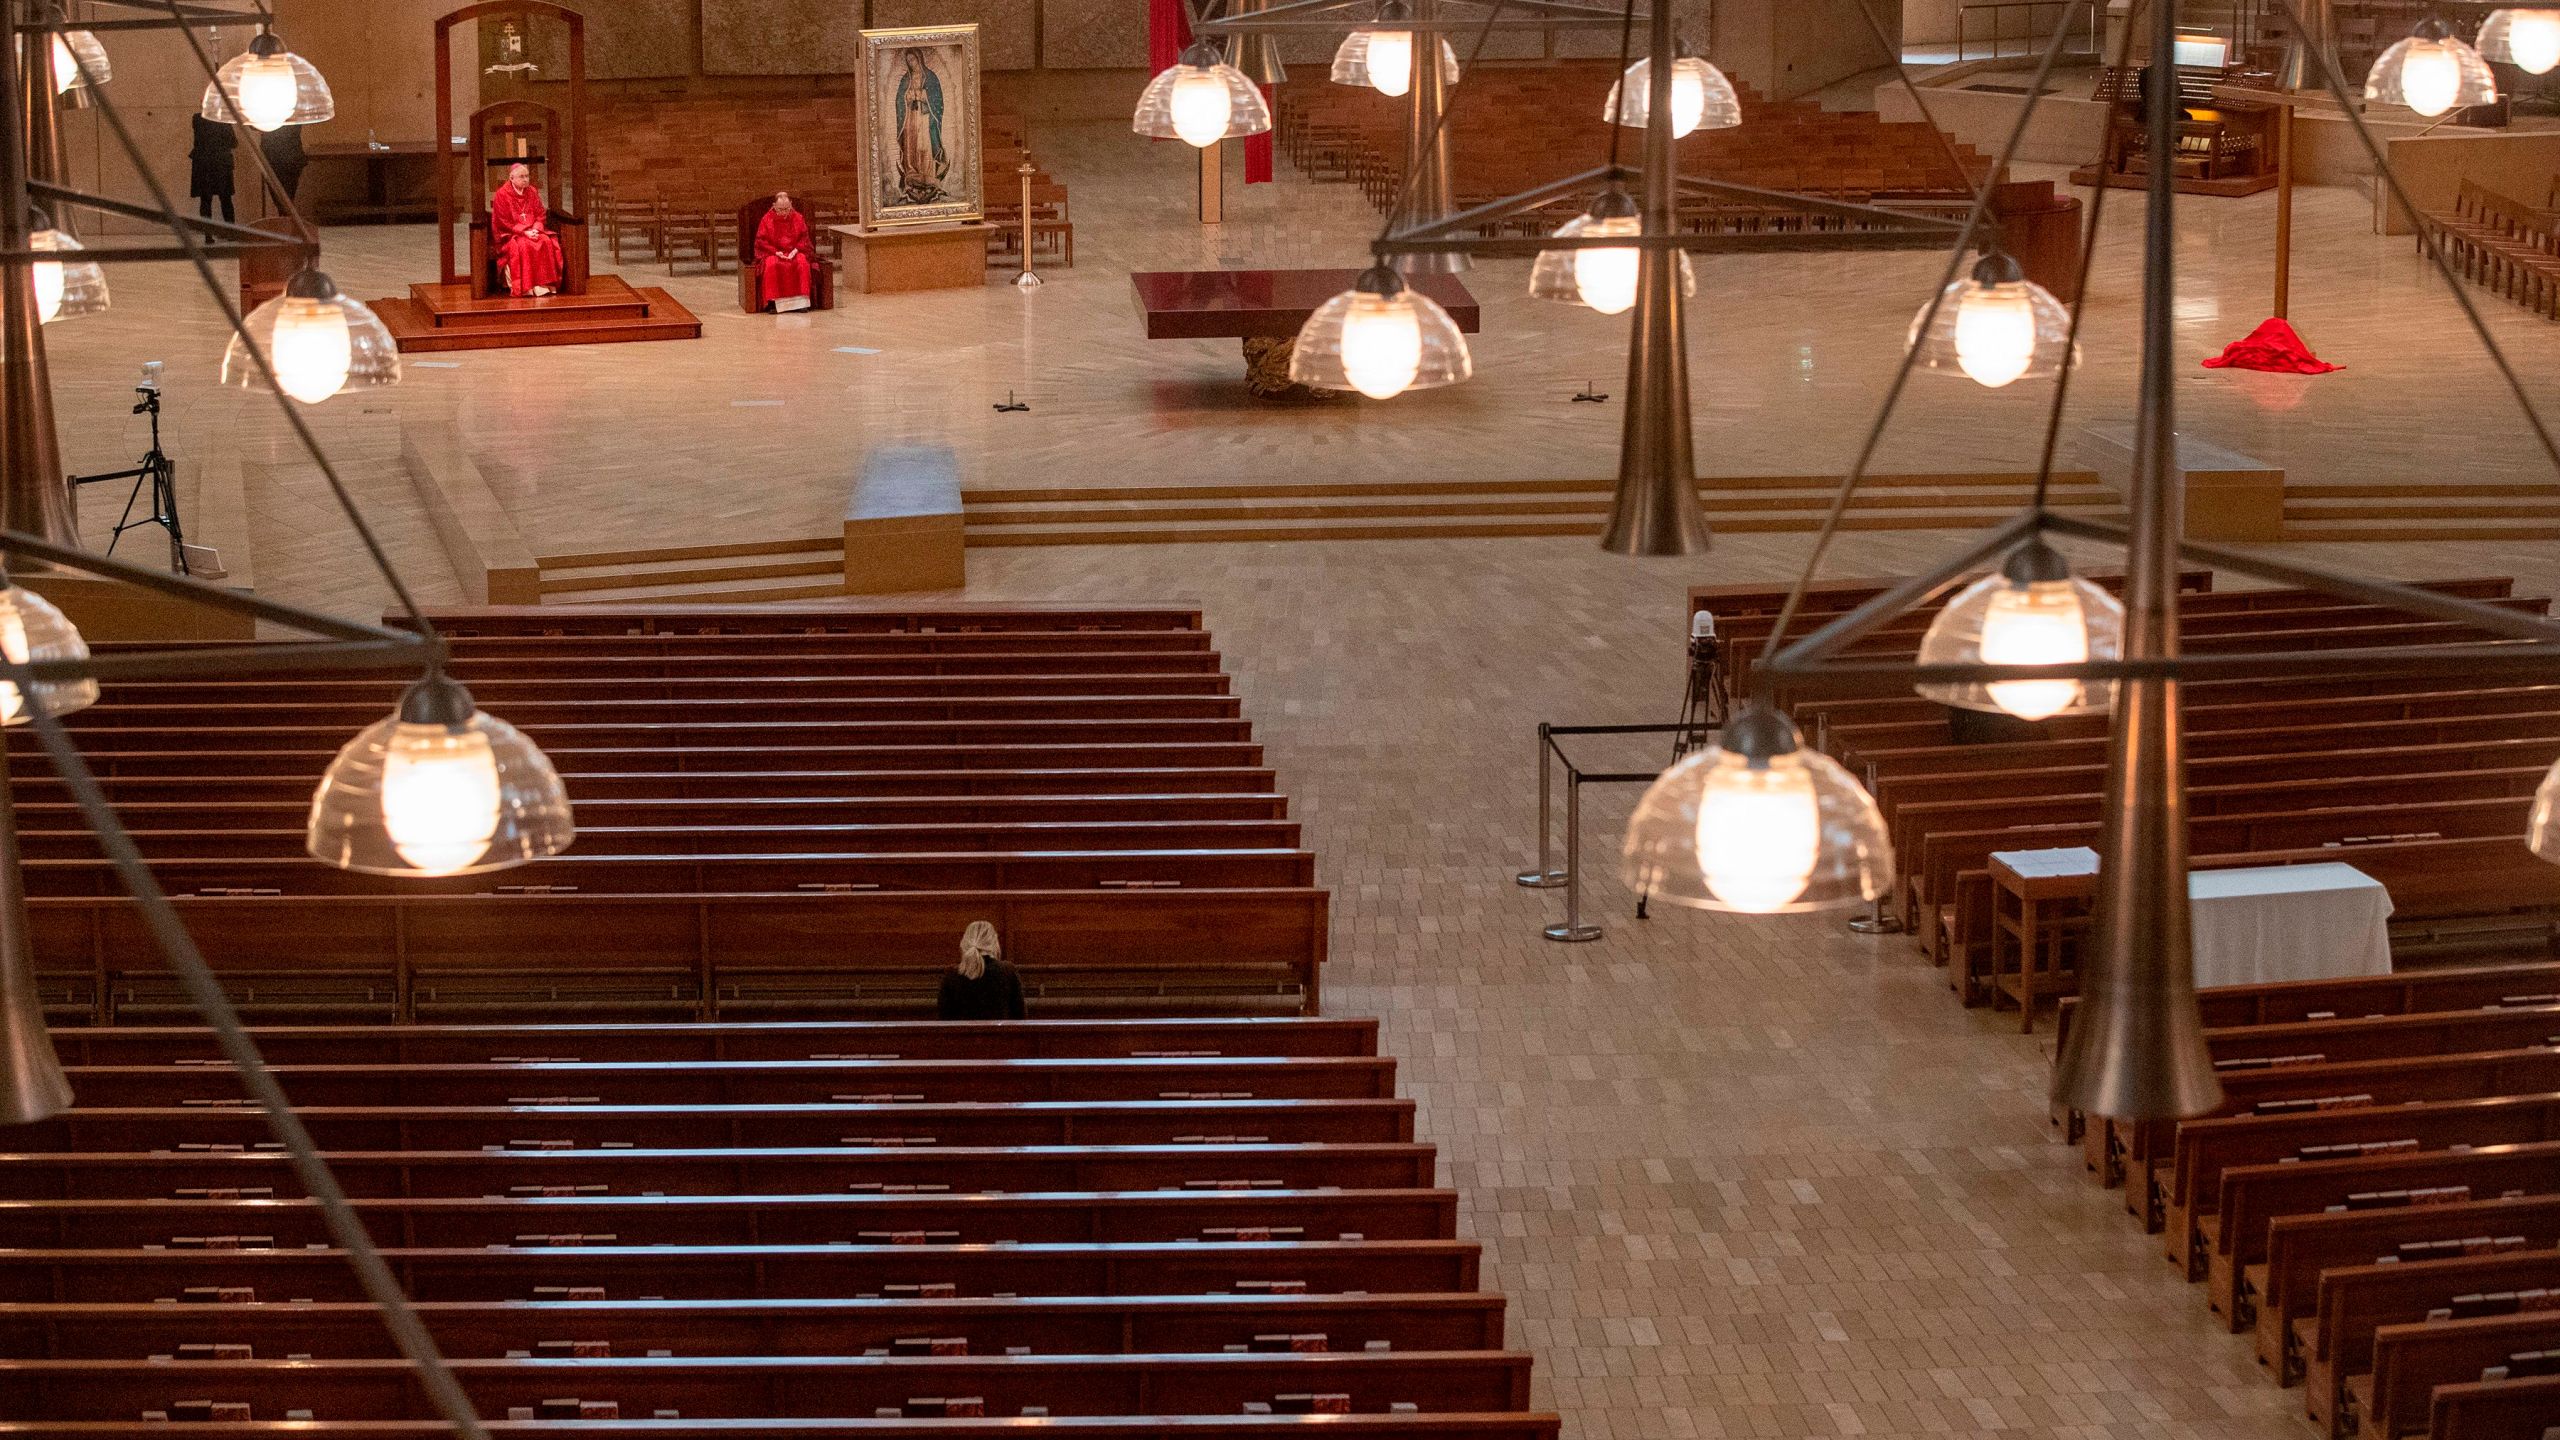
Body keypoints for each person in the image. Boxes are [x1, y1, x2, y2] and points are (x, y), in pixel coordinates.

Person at [490, 162, 564, 297]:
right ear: (511, 178)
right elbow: (502, 221)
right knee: (523, 246)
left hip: (532, 230)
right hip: (512, 233)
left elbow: (540, 213)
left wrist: (536, 229)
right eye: (521, 177)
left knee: (546, 241)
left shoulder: (532, 191)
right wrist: (524, 232)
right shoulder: (502, 194)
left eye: (527, 176)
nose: (525, 179)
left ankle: (544, 286)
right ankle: (526, 287)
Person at [937, 921, 1026, 1020]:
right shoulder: (1008, 972)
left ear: (964, 943)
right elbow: (1020, 1017)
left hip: (962, 1035)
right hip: (1000, 1035)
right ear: (994, 943)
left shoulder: (951, 975)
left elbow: (943, 1019)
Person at [894, 49, 948, 205]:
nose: (912, 63)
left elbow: (937, 100)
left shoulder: (931, 78)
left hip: (925, 117)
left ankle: (927, 173)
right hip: (911, 116)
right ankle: (912, 172)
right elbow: (899, 99)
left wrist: (924, 96)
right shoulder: (906, 79)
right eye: (909, 61)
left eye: (914, 60)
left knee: (924, 144)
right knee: (911, 142)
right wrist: (907, 97)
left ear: (920, 59)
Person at [755, 192, 813, 312]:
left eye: (787, 209)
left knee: (802, 263)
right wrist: (776, 252)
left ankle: (801, 303)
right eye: (781, 209)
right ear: (774, 206)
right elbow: (761, 241)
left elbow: (804, 238)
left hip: (795, 252)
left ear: (791, 204)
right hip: (774, 253)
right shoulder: (767, 219)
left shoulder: (798, 217)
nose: (784, 212)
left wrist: (796, 250)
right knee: (772, 265)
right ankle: (774, 304)